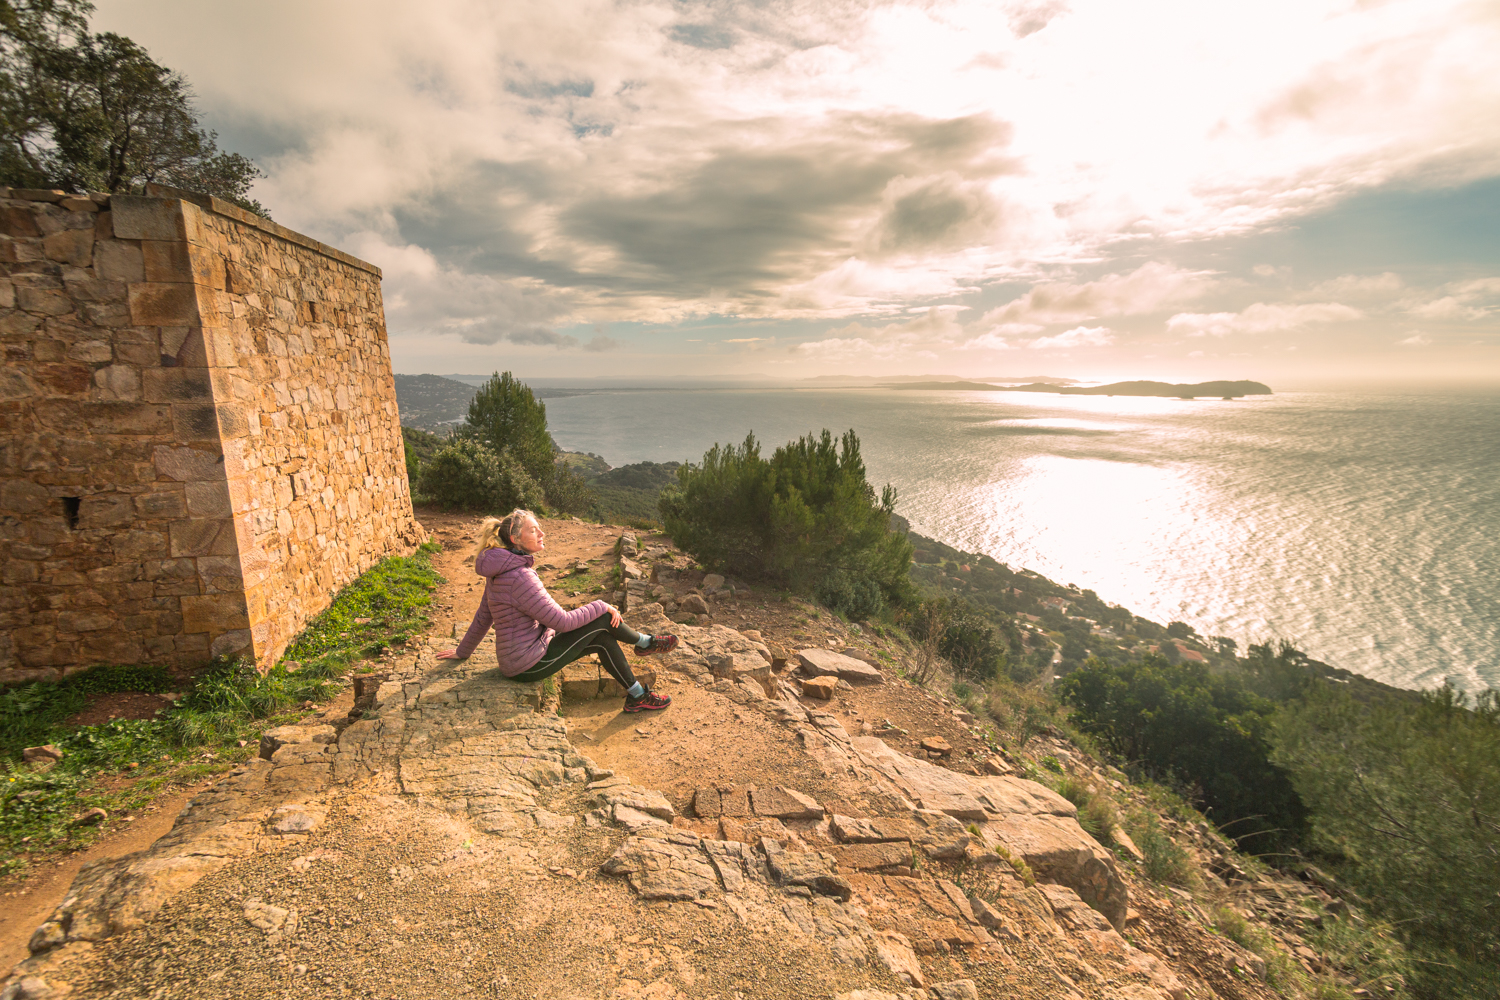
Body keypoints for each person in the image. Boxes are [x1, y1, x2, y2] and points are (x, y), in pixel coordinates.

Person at [437, 508, 675, 712]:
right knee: (602, 615)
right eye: (533, 530)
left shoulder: (501, 570)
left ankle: (636, 695)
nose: (541, 534)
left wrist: (463, 651)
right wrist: (602, 605)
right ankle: (645, 642)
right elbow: (562, 622)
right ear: (515, 538)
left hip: (523, 655)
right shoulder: (519, 576)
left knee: (602, 638)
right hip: (527, 664)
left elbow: (483, 616)